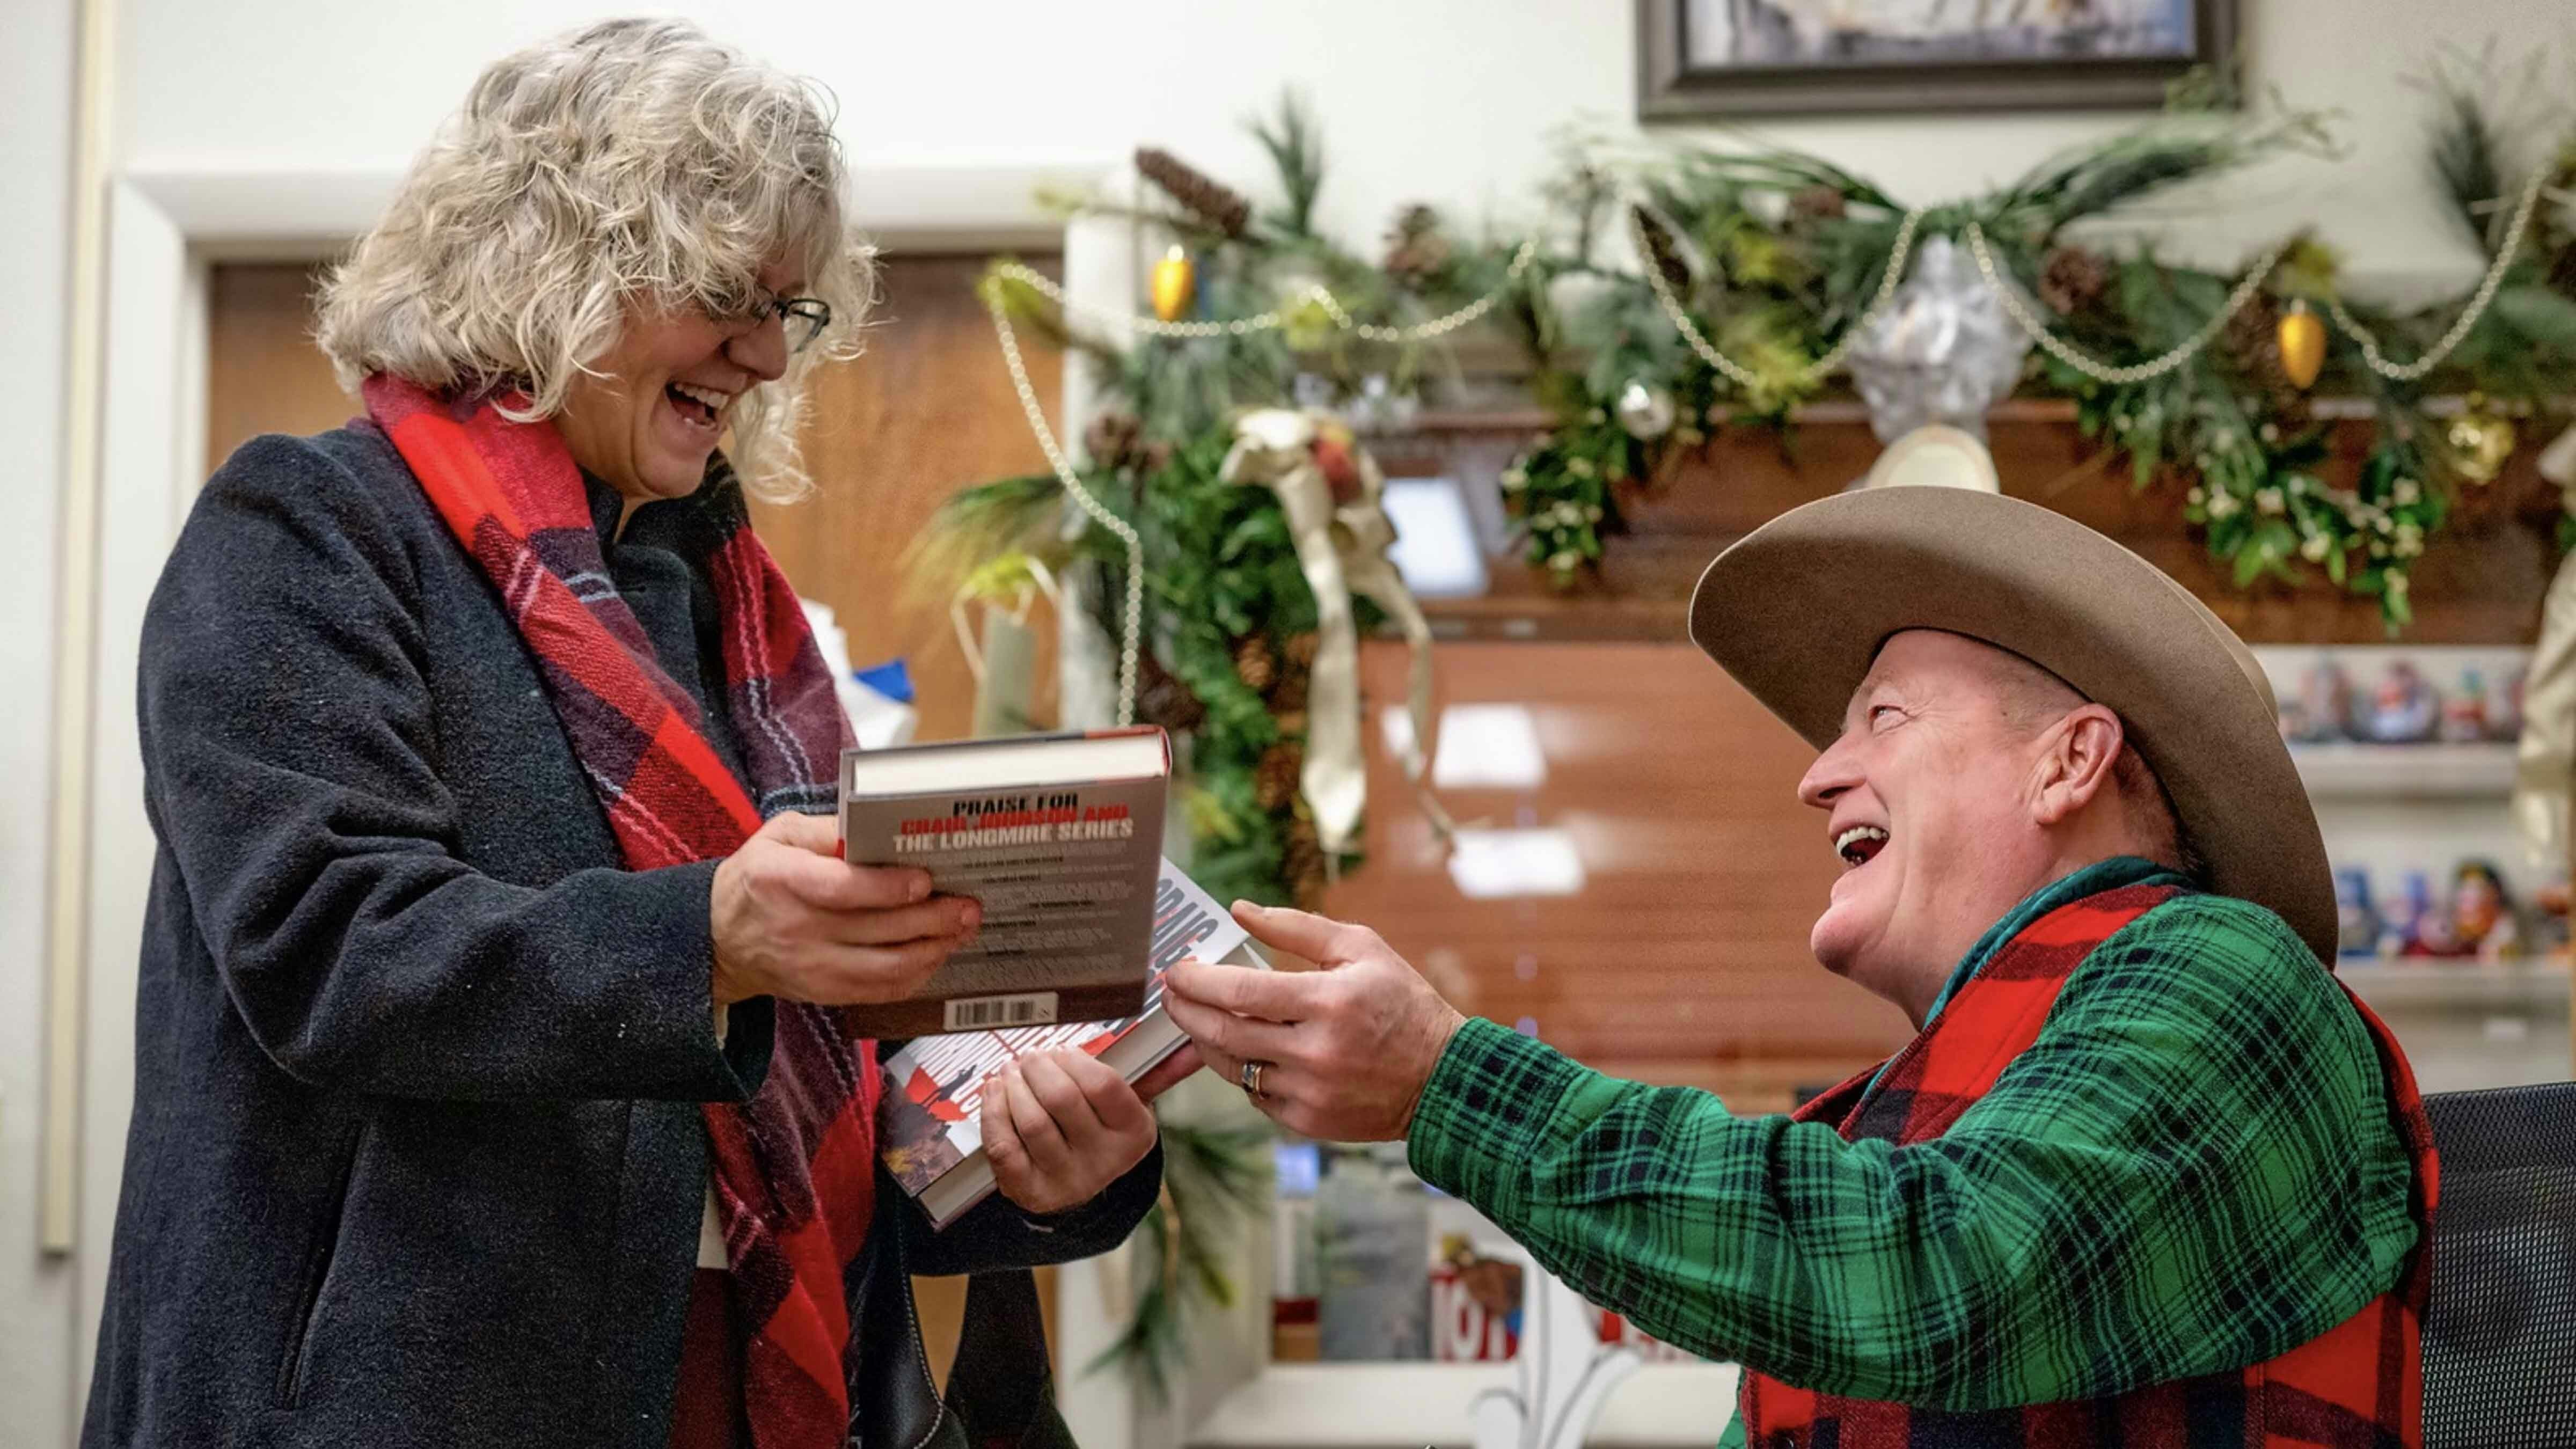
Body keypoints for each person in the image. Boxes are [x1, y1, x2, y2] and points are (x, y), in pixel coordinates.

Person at [85, 20, 1177, 1449]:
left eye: (790, 311)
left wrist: (1034, 1166)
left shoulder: (735, 613)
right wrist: (708, 938)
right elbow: (326, 945)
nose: (763, 359)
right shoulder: (308, 529)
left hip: (746, 1387)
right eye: (728, 289)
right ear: (547, 261)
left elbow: (802, 1116)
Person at [1166, 487, 2435, 1446]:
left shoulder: (2223, 976)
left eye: (1883, 717)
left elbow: (1935, 1276)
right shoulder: (1946, 1097)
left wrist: (1446, 1081)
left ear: (2070, 763)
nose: (1816, 775)